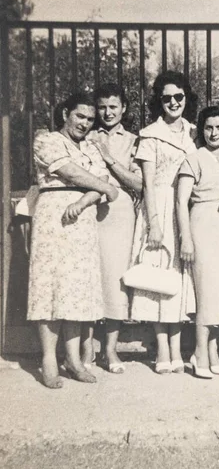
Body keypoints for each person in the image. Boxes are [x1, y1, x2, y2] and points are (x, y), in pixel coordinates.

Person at [27, 91, 118, 389]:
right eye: (80, 116)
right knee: (50, 287)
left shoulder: (91, 148)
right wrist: (104, 187)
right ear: (66, 113)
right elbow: (72, 173)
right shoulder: (47, 139)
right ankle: (49, 360)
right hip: (53, 217)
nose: (85, 123)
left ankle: (75, 360)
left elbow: (95, 185)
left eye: (90, 119)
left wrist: (86, 200)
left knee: (76, 288)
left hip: (82, 219)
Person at [130, 71, 197, 374]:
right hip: (158, 209)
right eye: (167, 97)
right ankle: (161, 349)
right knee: (158, 281)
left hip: (186, 211)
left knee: (180, 281)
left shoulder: (194, 133)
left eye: (179, 97)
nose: (173, 102)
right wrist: (154, 224)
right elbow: (147, 184)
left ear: (186, 98)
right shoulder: (150, 134)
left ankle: (177, 347)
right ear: (159, 101)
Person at [81, 83, 142, 374]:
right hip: (88, 209)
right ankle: (85, 347)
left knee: (115, 282)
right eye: (102, 107)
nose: (107, 112)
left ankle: (110, 350)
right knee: (89, 277)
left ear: (124, 109)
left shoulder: (133, 140)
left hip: (118, 213)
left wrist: (108, 158)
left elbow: (138, 183)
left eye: (113, 107)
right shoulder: (84, 134)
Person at [177, 106, 219, 379]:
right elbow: (180, 201)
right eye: (208, 127)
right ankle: (199, 353)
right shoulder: (194, 158)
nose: (213, 133)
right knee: (205, 292)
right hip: (202, 225)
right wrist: (186, 238)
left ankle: (213, 351)